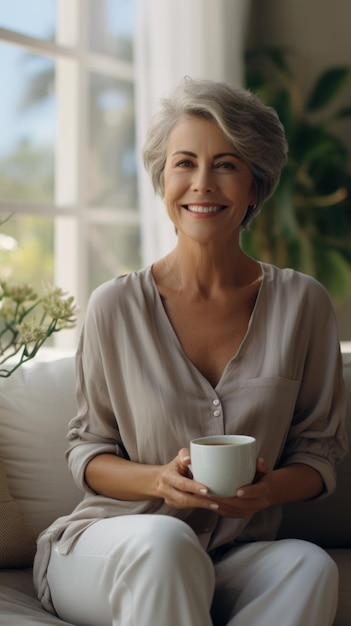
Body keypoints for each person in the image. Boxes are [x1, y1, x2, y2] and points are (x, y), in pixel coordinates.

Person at [33, 77, 347, 626]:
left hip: (231, 553)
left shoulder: (303, 305)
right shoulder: (114, 306)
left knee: (309, 566)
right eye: (184, 163)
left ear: (256, 186)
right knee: (165, 544)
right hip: (111, 547)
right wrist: (159, 480)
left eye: (225, 164)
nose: (202, 184)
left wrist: (266, 490)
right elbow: (88, 450)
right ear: (162, 180)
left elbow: (319, 455)